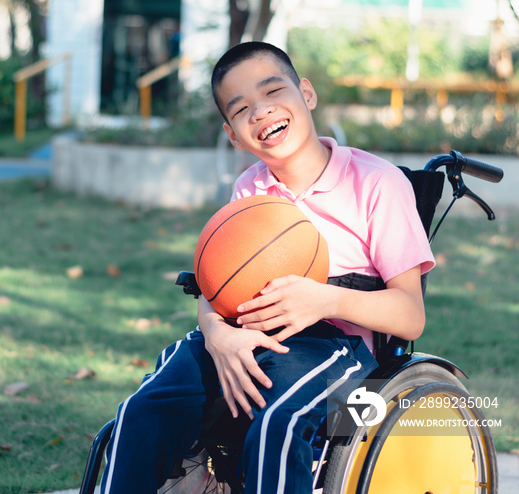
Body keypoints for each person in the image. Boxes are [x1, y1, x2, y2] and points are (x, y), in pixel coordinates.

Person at [99, 41, 435, 494]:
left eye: (273, 91)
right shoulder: (249, 189)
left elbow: (410, 315)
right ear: (233, 134)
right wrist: (219, 336)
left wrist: (325, 300)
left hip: (336, 351)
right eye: (242, 109)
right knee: (143, 411)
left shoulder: (376, 184)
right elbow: (215, 294)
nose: (261, 112)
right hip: (243, 337)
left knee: (280, 421)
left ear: (307, 94)